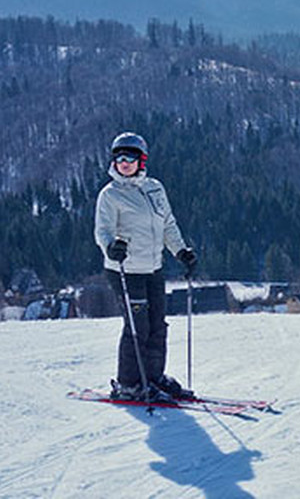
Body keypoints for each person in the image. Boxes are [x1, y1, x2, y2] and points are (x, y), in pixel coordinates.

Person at [94, 132, 198, 402]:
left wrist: (181, 251)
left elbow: (168, 224)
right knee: (137, 326)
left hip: (153, 267)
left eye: (130, 157)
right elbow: (102, 230)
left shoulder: (154, 188)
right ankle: (129, 383)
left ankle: (152, 376)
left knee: (157, 325)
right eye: (119, 158)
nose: (124, 162)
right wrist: (111, 246)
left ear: (141, 161)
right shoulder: (110, 195)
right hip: (124, 270)